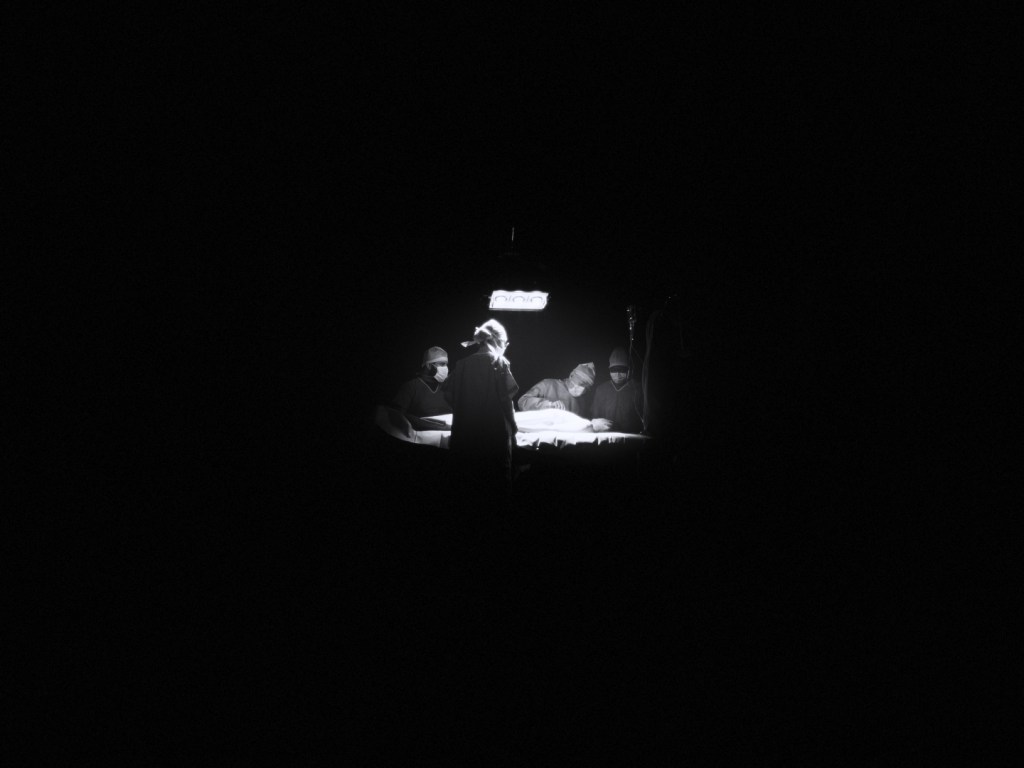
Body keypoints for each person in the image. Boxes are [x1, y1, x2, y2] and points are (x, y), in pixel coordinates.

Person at [448, 319, 519, 491]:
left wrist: (467, 408)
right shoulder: (499, 363)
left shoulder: (462, 364)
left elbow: (449, 396)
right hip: (494, 437)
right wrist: (513, 426)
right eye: (505, 344)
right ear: (498, 341)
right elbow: (506, 400)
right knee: (495, 483)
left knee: (467, 481)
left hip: (464, 435)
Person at [392, 346, 452, 426]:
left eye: (446, 364)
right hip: (421, 432)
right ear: (429, 365)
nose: (446, 368)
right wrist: (425, 424)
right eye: (442, 364)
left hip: (446, 431)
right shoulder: (411, 387)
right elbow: (397, 414)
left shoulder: (446, 387)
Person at [591, 346, 644, 433]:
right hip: (605, 437)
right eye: (614, 370)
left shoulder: (637, 389)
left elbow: (646, 418)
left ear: (629, 370)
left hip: (630, 438)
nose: (618, 374)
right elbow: (594, 416)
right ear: (609, 370)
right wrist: (595, 423)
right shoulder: (601, 390)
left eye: (622, 370)